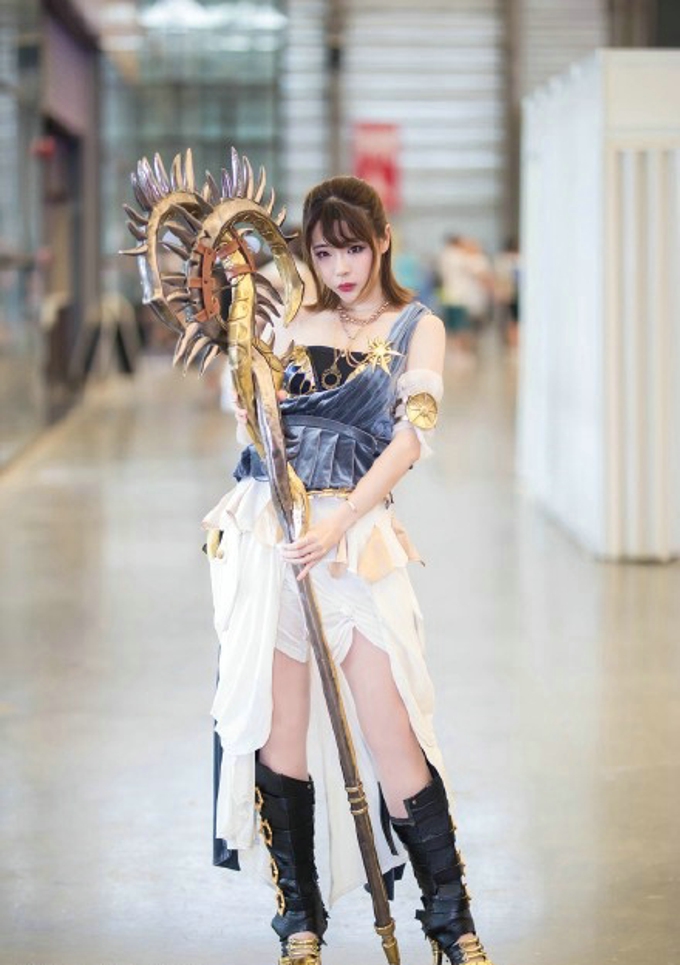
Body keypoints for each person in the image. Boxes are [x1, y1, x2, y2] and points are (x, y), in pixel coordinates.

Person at [202, 176, 496, 965]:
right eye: (324, 251)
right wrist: (245, 374)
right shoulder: (285, 320)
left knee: (393, 731)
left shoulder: (417, 325)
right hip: (272, 536)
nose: (339, 268)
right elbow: (255, 427)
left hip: (356, 540)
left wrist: (343, 515)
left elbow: (412, 437)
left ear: (383, 240)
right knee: (280, 733)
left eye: (354, 249)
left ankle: (452, 925)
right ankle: (300, 923)